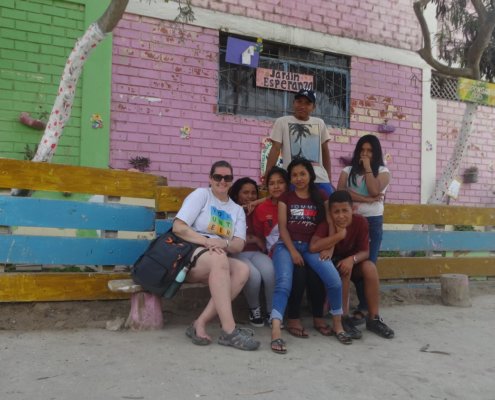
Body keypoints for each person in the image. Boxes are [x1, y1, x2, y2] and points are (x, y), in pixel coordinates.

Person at [172, 160, 260, 351]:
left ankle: (199, 323)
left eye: (227, 177)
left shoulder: (236, 210)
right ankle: (229, 330)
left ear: (231, 180)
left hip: (218, 257)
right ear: (210, 179)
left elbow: (238, 244)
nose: (222, 181)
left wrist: (223, 243)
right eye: (217, 177)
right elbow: (178, 227)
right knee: (221, 260)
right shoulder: (202, 195)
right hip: (191, 256)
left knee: (243, 270)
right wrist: (207, 241)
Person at [269, 159, 351, 354]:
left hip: (313, 248)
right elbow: (282, 227)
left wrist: (330, 249)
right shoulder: (286, 198)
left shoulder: (320, 195)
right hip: (286, 247)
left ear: (310, 176)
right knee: (284, 283)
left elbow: (330, 223)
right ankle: (275, 331)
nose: (299, 178)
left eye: (302, 174)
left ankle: (338, 325)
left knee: (334, 280)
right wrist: (293, 251)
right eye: (295, 175)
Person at [252, 167, 328, 337]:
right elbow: (259, 234)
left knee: (315, 273)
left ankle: (318, 316)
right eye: (271, 183)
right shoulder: (262, 208)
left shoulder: (297, 199)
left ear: (288, 184)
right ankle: (292, 317)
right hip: (280, 251)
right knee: (298, 272)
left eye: (280, 182)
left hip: (306, 247)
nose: (276, 187)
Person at [310, 190, 394, 339]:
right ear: (330, 213)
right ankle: (343, 317)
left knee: (370, 268)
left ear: (352, 209)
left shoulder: (360, 222)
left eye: (345, 211)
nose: (341, 215)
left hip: (353, 263)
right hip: (332, 267)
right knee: (344, 269)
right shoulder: (326, 225)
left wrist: (352, 259)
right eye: (336, 212)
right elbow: (313, 246)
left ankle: (374, 318)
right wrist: (337, 237)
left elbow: (365, 252)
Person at [337, 134, 390, 324]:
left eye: (370, 151)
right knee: (351, 264)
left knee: (368, 263)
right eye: (363, 150)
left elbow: (375, 189)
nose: (365, 154)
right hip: (350, 222)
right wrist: (366, 199)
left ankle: (365, 308)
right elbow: (341, 193)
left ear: (376, 153)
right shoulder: (347, 170)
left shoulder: (383, 171)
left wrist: (368, 168)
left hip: (372, 222)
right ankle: (350, 309)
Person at [264, 89, 333, 195]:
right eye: (299, 101)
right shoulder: (282, 122)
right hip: (294, 179)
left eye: (307, 103)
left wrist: (329, 178)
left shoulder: (320, 123)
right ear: (293, 103)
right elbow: (275, 149)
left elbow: (325, 151)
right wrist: (267, 178)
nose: (302, 106)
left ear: (313, 107)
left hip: (320, 179)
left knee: (330, 204)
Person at [229, 177, 275, 327]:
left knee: (270, 272)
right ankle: (254, 310)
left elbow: (273, 197)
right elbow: (231, 237)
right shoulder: (230, 210)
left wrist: (255, 203)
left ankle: (271, 312)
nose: (250, 196)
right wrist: (253, 238)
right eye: (245, 193)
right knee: (253, 275)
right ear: (237, 195)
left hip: (256, 253)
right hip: (237, 253)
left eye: (253, 193)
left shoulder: (258, 209)